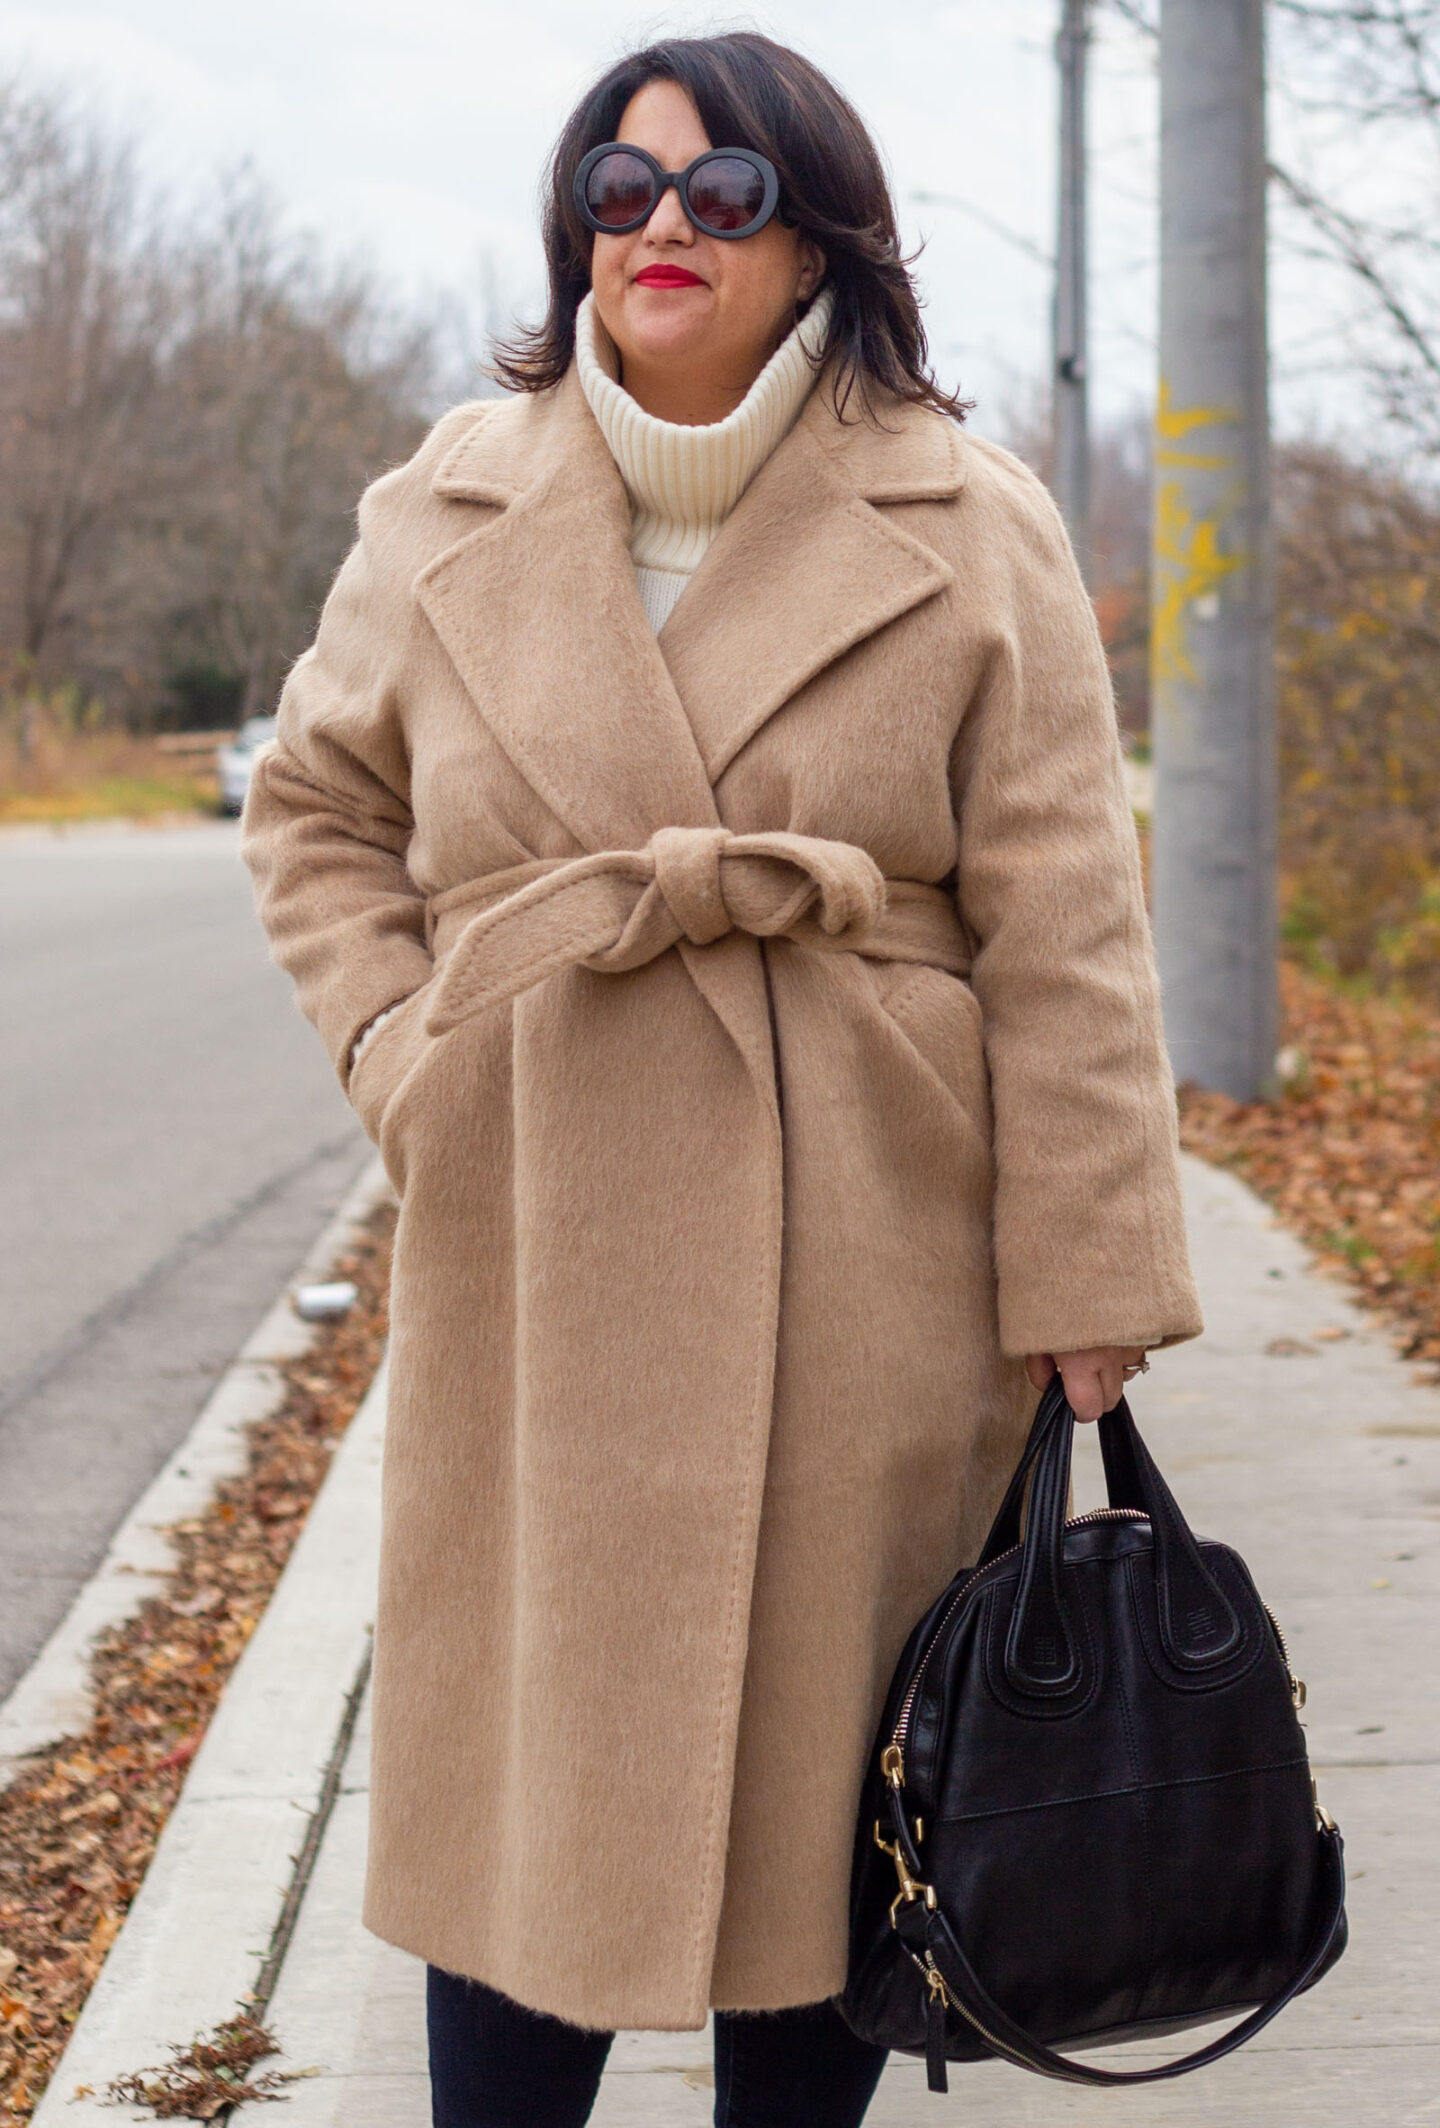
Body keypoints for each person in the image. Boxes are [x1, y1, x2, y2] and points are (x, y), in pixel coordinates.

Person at [242, 30, 1202, 2128]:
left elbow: (1067, 917)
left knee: (833, 1809)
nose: (660, 222)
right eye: (618, 183)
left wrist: (1089, 1269)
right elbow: (312, 810)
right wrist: (411, 1057)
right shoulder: (446, 504)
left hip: (875, 1243)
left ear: (818, 234)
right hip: (542, 1235)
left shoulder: (972, 516)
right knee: (530, 1819)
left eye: (721, 190)